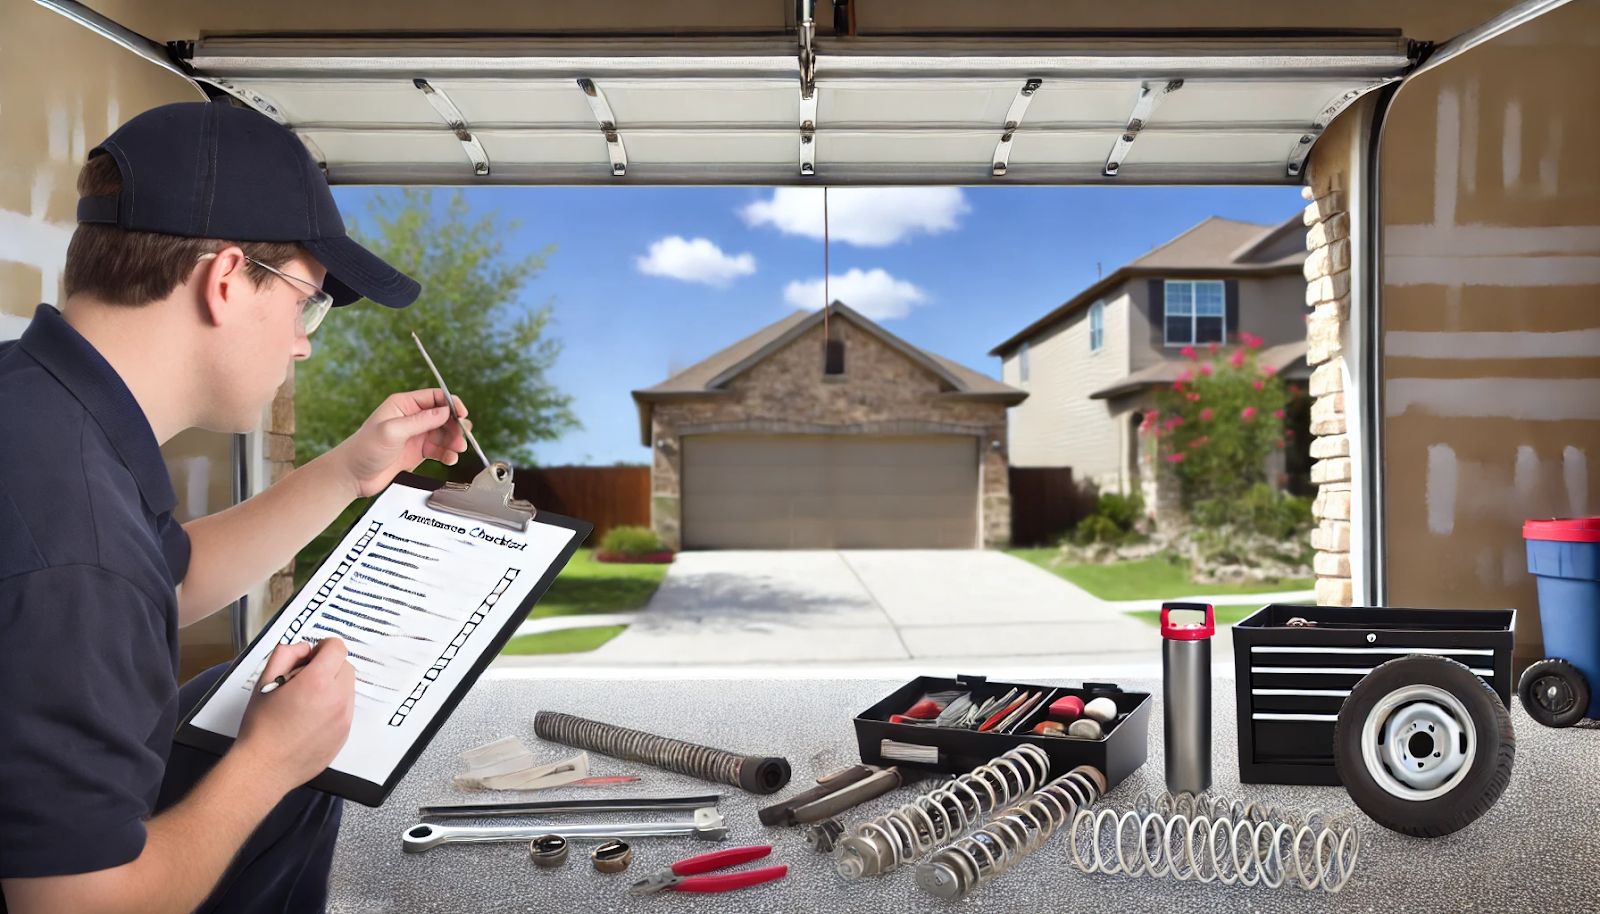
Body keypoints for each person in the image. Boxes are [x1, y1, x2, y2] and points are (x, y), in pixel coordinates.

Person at [0, 100, 471, 913]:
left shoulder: (41, 405)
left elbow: (164, 580)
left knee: (243, 693)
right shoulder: (78, 544)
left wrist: (348, 471)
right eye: (307, 305)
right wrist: (271, 763)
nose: (304, 343)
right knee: (280, 749)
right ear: (224, 281)